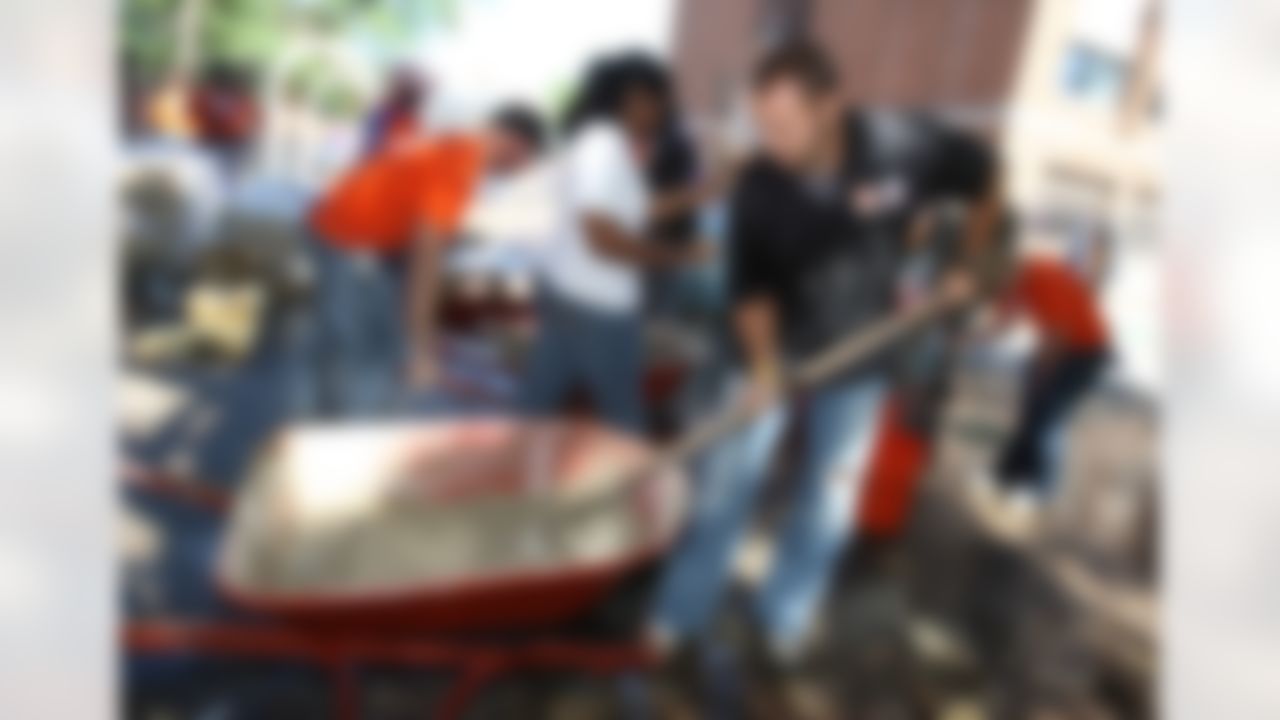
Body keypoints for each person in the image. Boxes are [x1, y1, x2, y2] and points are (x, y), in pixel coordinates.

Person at [649, 41, 999, 687]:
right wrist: (761, 369)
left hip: (859, 352)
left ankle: (781, 621)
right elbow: (750, 292)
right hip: (765, 347)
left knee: (828, 503)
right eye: (762, 123)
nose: (769, 140)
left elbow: (985, 171)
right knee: (725, 490)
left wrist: (966, 261)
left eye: (784, 124)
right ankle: (677, 618)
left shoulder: (903, 145)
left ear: (831, 105)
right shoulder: (757, 186)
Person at [306, 103, 547, 416]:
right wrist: (422, 346)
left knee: (346, 349)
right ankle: (350, 429)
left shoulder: (454, 144)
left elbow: (430, 228)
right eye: (522, 162)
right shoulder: (461, 160)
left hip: (346, 236)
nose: (518, 172)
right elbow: (426, 258)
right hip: (346, 246)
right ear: (516, 145)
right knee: (366, 358)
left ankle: (336, 412)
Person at [520, 53, 710, 434]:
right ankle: (630, 490)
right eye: (661, 99)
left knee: (536, 407)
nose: (665, 109)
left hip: (572, 296)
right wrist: (679, 255)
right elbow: (601, 237)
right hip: (599, 306)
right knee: (623, 419)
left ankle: (509, 477)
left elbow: (637, 208)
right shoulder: (601, 147)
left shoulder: (609, 147)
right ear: (635, 97)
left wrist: (705, 193)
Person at [970, 231, 1112, 539]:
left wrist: (1042, 375)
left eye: (1000, 286)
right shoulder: (1012, 284)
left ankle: (1041, 493)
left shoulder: (1043, 272)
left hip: (1087, 350)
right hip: (1057, 344)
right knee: (1030, 412)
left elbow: (1059, 334)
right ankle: (1004, 477)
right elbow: (1002, 324)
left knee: (1048, 416)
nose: (1000, 293)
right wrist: (968, 340)